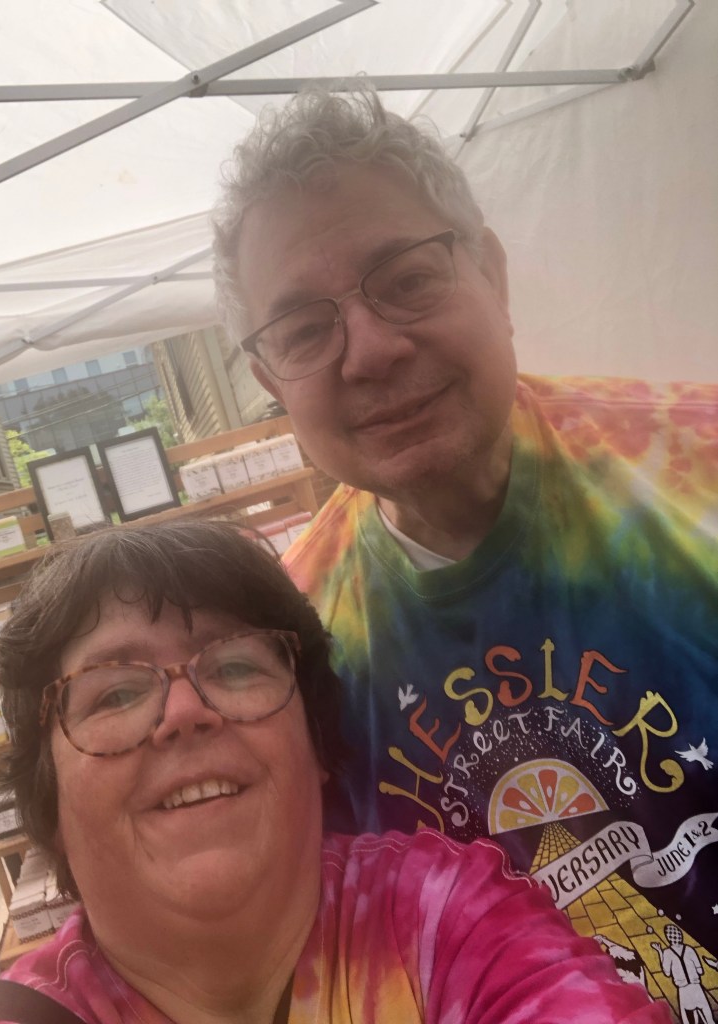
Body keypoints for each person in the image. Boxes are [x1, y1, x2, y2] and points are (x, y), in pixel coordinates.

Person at [211, 82, 718, 1009]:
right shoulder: (290, 656)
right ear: (271, 381)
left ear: (493, 275)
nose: (370, 351)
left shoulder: (699, 474)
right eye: (304, 329)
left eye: (407, 280)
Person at [0, 519, 669, 1024]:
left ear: (317, 744)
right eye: (113, 693)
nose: (183, 711)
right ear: (47, 798)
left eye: (235, 667)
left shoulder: (449, 921)